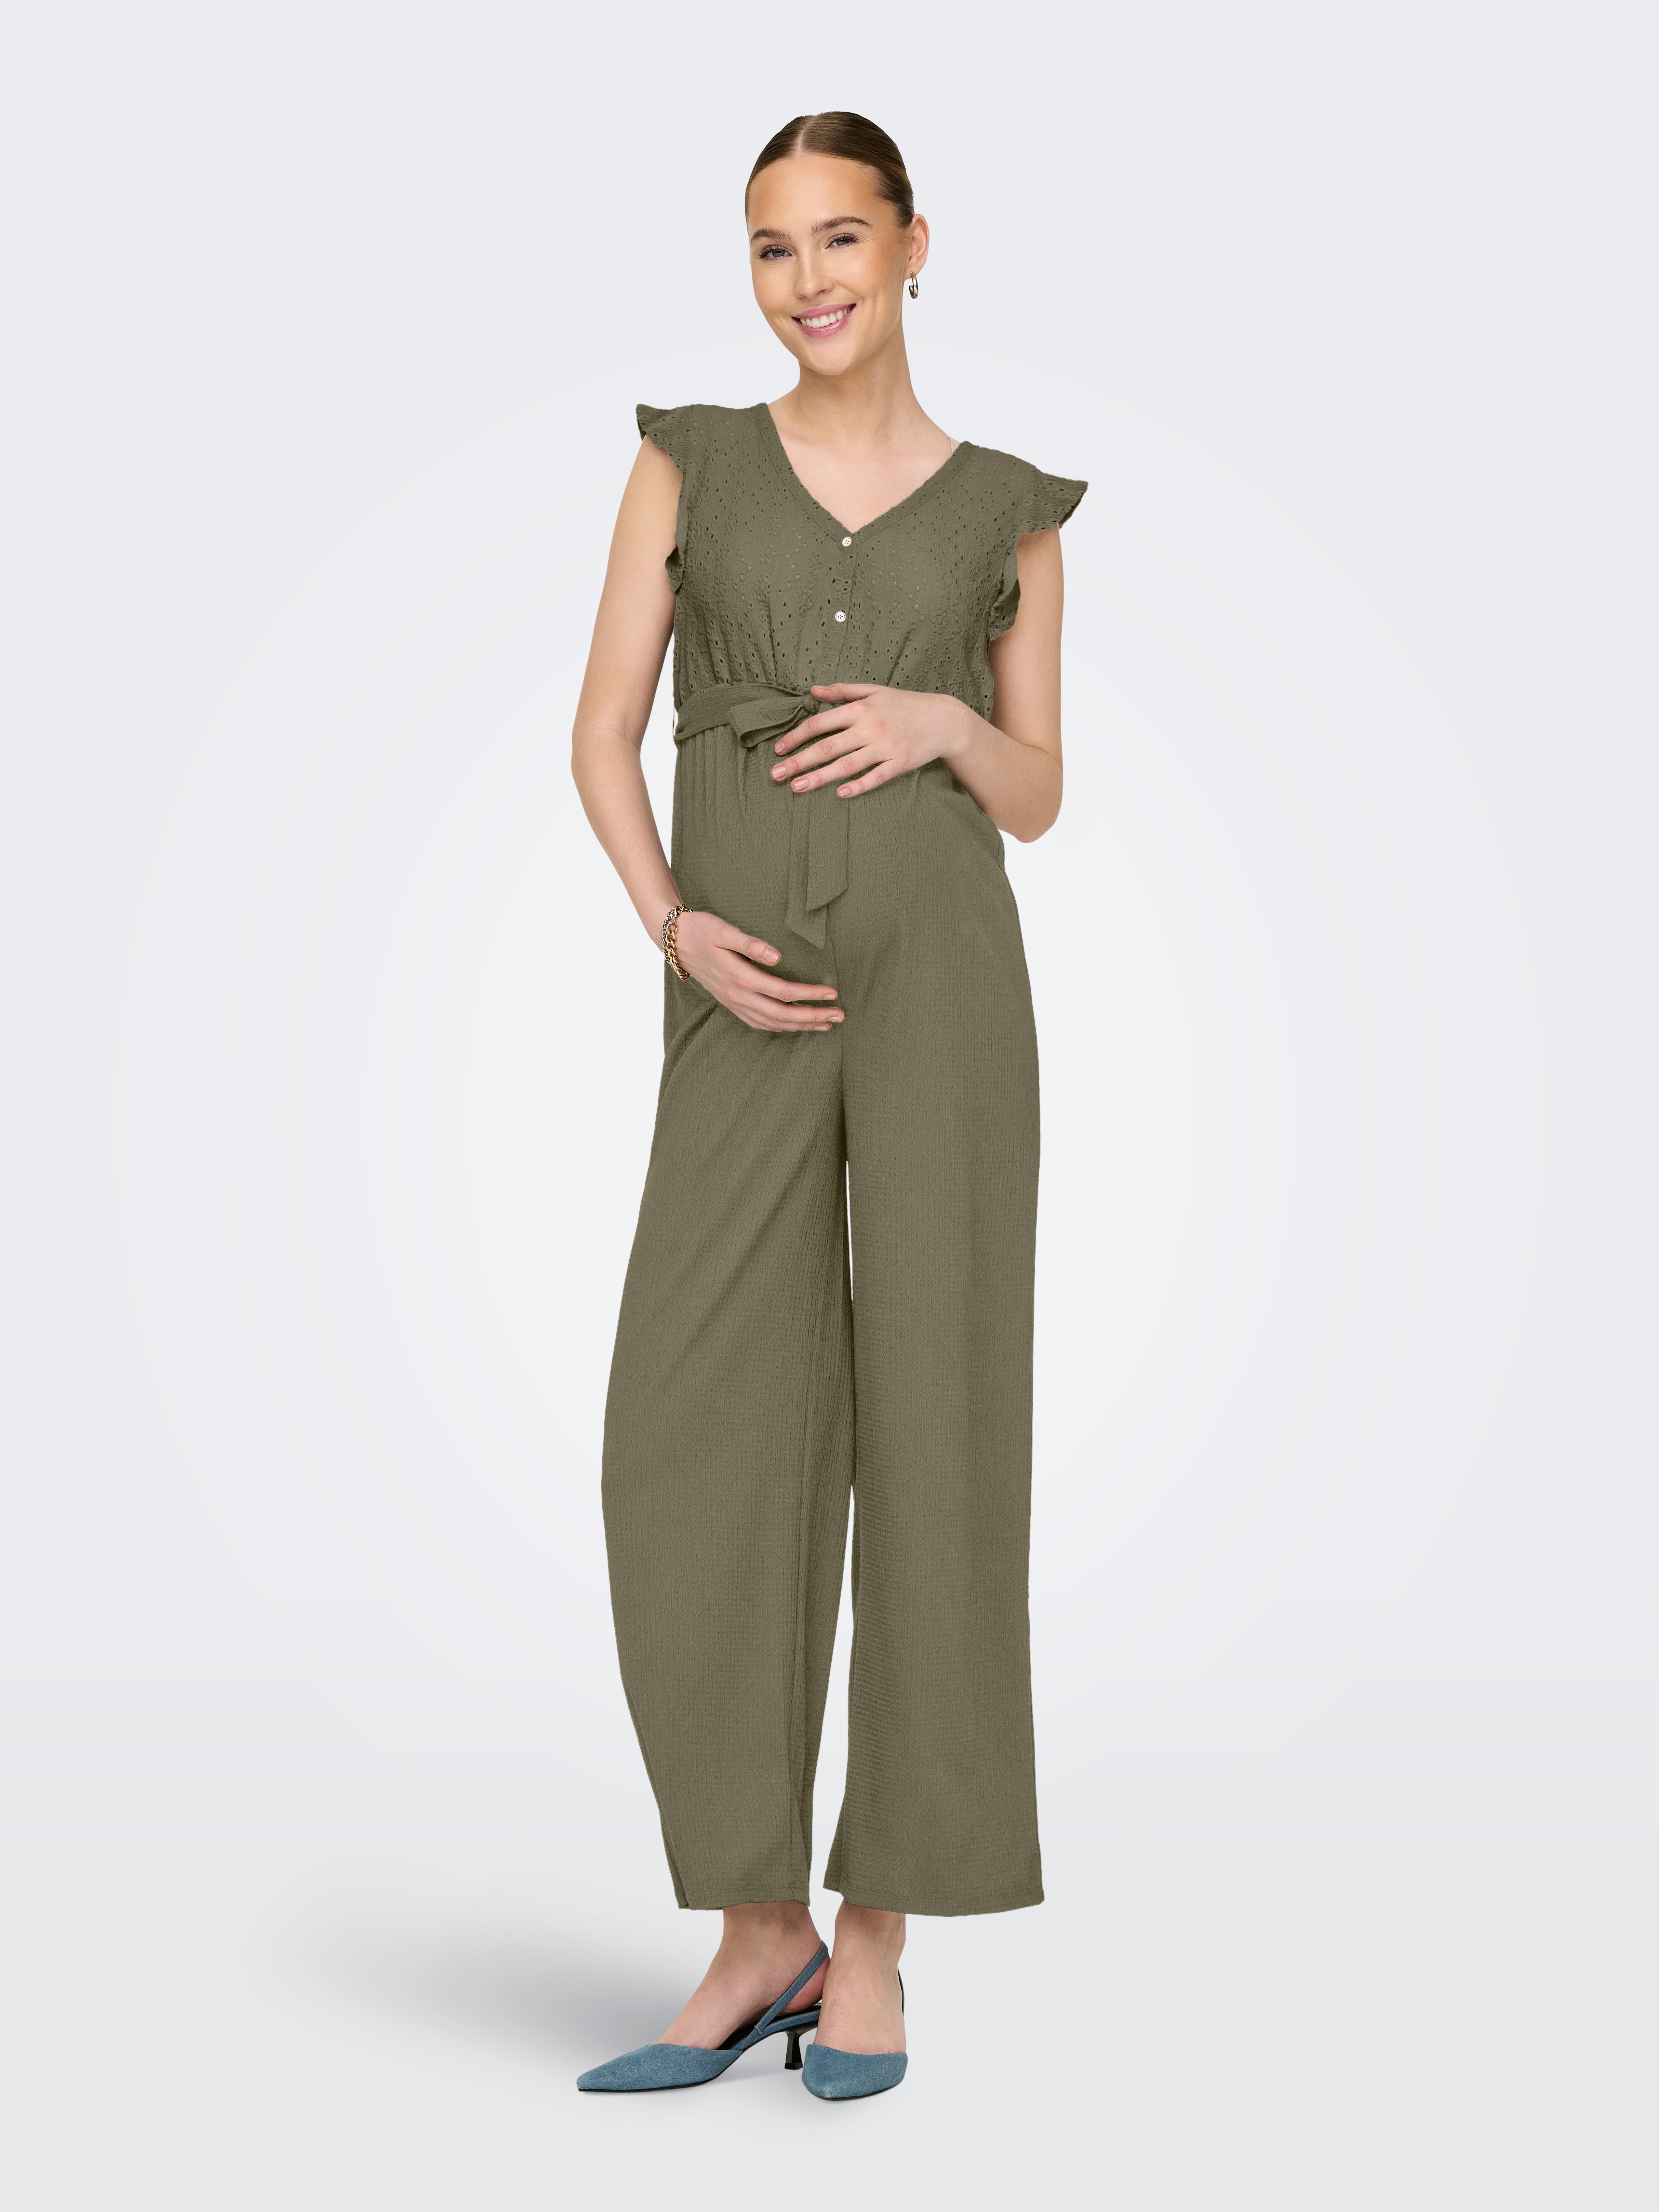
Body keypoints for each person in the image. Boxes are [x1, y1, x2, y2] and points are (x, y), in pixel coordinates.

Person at [569, 110, 1085, 2101]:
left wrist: (952, 718)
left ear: (913, 244)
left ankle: (874, 1939)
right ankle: (754, 1925)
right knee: (688, 1430)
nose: (809, 281)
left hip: (946, 987)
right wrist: (671, 924)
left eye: (842, 239)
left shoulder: (1010, 514)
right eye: (773, 248)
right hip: (742, 995)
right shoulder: (686, 462)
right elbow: (600, 734)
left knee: (939, 1424)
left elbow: (1038, 794)